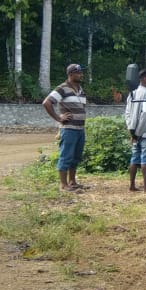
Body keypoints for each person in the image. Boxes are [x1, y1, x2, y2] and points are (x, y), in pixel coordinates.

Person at [43, 64, 88, 193]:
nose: (81, 75)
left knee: (76, 156)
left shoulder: (80, 89)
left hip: (80, 129)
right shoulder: (62, 88)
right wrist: (58, 118)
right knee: (66, 156)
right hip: (69, 128)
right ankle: (63, 184)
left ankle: (72, 182)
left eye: (81, 72)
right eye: (78, 73)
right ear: (70, 74)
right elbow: (47, 102)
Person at [125, 70, 146, 192]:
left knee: (134, 158)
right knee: (145, 159)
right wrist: (138, 133)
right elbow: (145, 115)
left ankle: (132, 185)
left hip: (134, 132)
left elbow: (127, 113)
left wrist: (131, 130)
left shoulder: (132, 94)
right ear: (144, 78)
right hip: (145, 132)